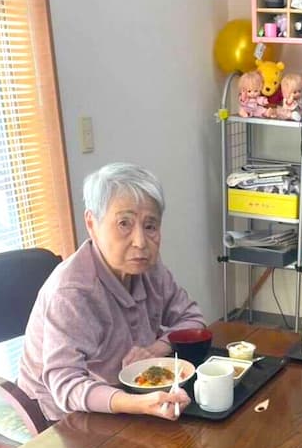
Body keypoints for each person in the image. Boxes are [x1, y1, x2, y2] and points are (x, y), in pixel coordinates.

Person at [19, 162, 205, 422]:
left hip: (133, 393)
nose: (140, 242)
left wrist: (156, 348)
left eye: (150, 226)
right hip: (64, 415)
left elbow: (193, 320)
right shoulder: (72, 292)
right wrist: (137, 404)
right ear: (91, 224)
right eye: (124, 224)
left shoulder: (149, 267)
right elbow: (65, 384)